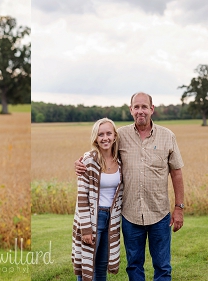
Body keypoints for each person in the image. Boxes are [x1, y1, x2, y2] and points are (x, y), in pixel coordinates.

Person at [76, 92, 184, 281]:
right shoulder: (121, 135)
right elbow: (102, 147)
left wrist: (179, 208)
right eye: (136, 107)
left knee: (163, 267)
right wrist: (81, 162)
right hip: (130, 216)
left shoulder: (168, 136)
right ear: (131, 110)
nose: (140, 111)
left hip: (159, 214)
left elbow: (176, 173)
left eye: (144, 107)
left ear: (152, 109)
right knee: (133, 266)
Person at [71, 118, 124, 281]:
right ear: (95, 138)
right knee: (86, 265)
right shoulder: (89, 160)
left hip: (112, 219)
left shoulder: (120, 160)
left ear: (115, 136)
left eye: (108, 133)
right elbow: (82, 197)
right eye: (100, 134)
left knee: (101, 266)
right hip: (93, 218)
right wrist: (86, 229)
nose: (105, 138)